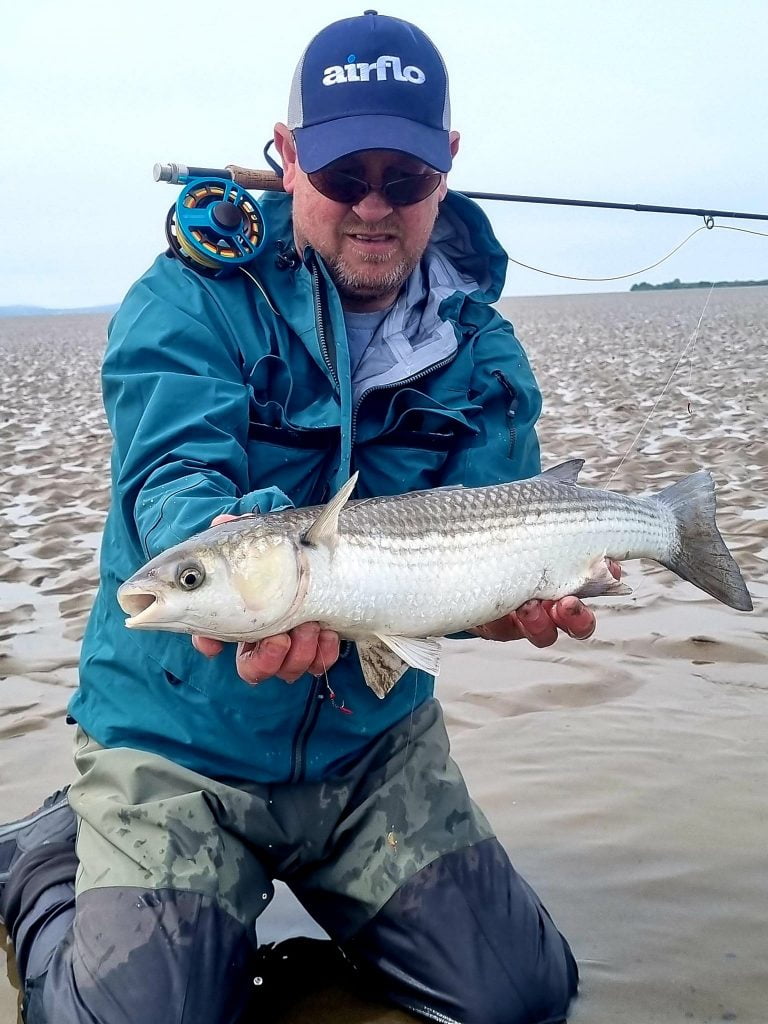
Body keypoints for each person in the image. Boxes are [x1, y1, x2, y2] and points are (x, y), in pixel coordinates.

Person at [1, 12, 606, 1024]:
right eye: (341, 173)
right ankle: (45, 862)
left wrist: (505, 606)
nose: (373, 205)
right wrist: (217, 563)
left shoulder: (486, 350)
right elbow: (171, 476)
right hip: (177, 736)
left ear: (447, 166)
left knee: (521, 1001)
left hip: (373, 747)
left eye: (404, 178)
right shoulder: (191, 300)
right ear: (285, 158)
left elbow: (469, 561)